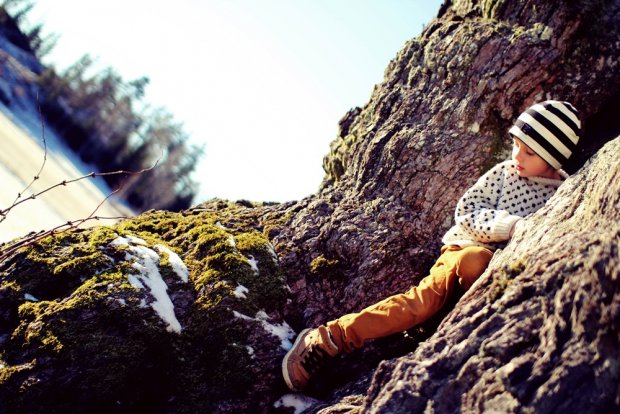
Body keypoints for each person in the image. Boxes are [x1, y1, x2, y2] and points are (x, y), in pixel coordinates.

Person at [282, 100, 581, 392]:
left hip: (492, 273)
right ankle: (329, 338)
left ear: (552, 159)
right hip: (463, 249)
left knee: (478, 285)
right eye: (515, 144)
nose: (517, 155)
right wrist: (510, 226)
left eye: (529, 152)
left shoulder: (561, 194)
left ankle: (438, 324)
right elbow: (467, 210)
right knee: (425, 300)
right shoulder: (505, 173)